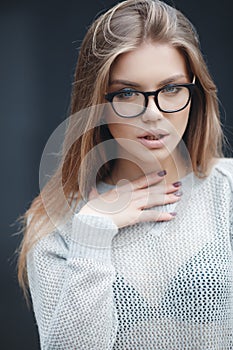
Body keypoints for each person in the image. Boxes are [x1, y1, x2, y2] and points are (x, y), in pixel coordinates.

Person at [17, 0, 233, 348]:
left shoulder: (227, 192)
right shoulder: (54, 222)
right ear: (96, 100)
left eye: (172, 88)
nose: (152, 113)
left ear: (196, 92)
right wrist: (93, 232)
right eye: (128, 93)